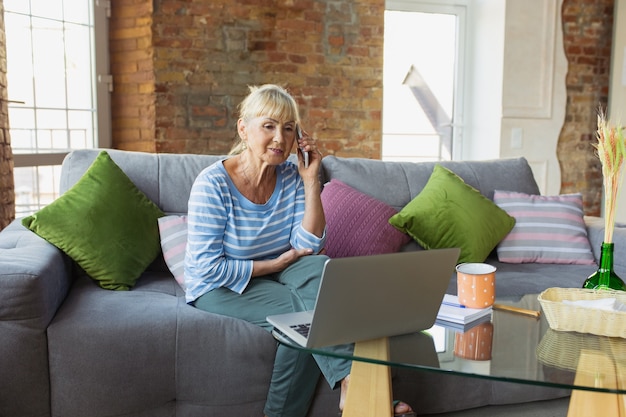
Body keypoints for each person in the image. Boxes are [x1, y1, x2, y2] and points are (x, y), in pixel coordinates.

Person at [184, 84, 415, 417]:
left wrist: (310, 179)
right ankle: (360, 386)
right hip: (218, 286)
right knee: (303, 316)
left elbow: (309, 245)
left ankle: (356, 388)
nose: (280, 137)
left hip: (284, 269)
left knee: (325, 271)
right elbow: (207, 268)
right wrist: (272, 263)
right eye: (269, 126)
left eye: (288, 128)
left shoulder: (292, 176)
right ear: (243, 129)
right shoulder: (213, 184)